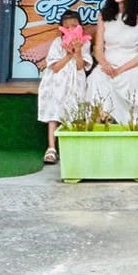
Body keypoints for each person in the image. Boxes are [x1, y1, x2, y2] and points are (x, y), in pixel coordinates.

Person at [37, 9, 92, 164]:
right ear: (61, 29)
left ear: (80, 27)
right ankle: (51, 147)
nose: (70, 29)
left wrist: (78, 51)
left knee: (75, 111)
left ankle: (72, 147)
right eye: (66, 27)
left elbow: (81, 66)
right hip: (57, 82)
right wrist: (68, 54)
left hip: (76, 82)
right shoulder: (57, 43)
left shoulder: (85, 43)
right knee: (54, 112)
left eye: (74, 26)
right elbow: (55, 67)